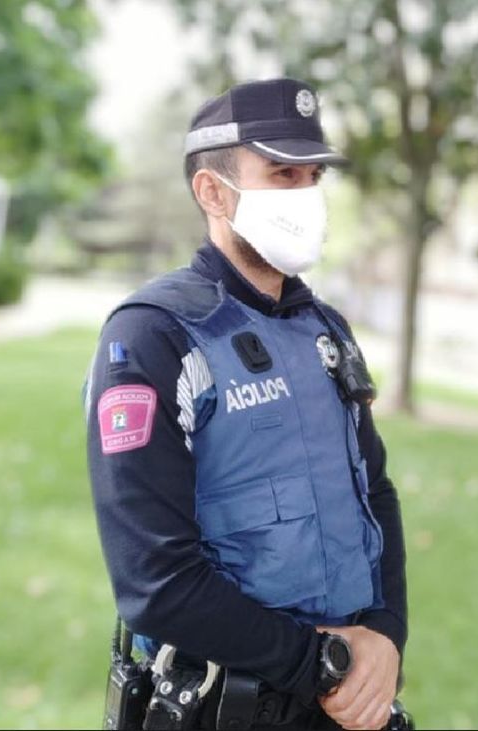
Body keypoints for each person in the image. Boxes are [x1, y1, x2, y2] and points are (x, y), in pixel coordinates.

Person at [85, 78, 407, 731]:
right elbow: (156, 582)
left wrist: (385, 634)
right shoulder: (154, 336)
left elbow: (375, 491)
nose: (307, 197)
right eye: (283, 174)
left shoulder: (327, 330)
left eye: (314, 175)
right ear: (212, 191)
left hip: (341, 703)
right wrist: (324, 662)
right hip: (223, 706)